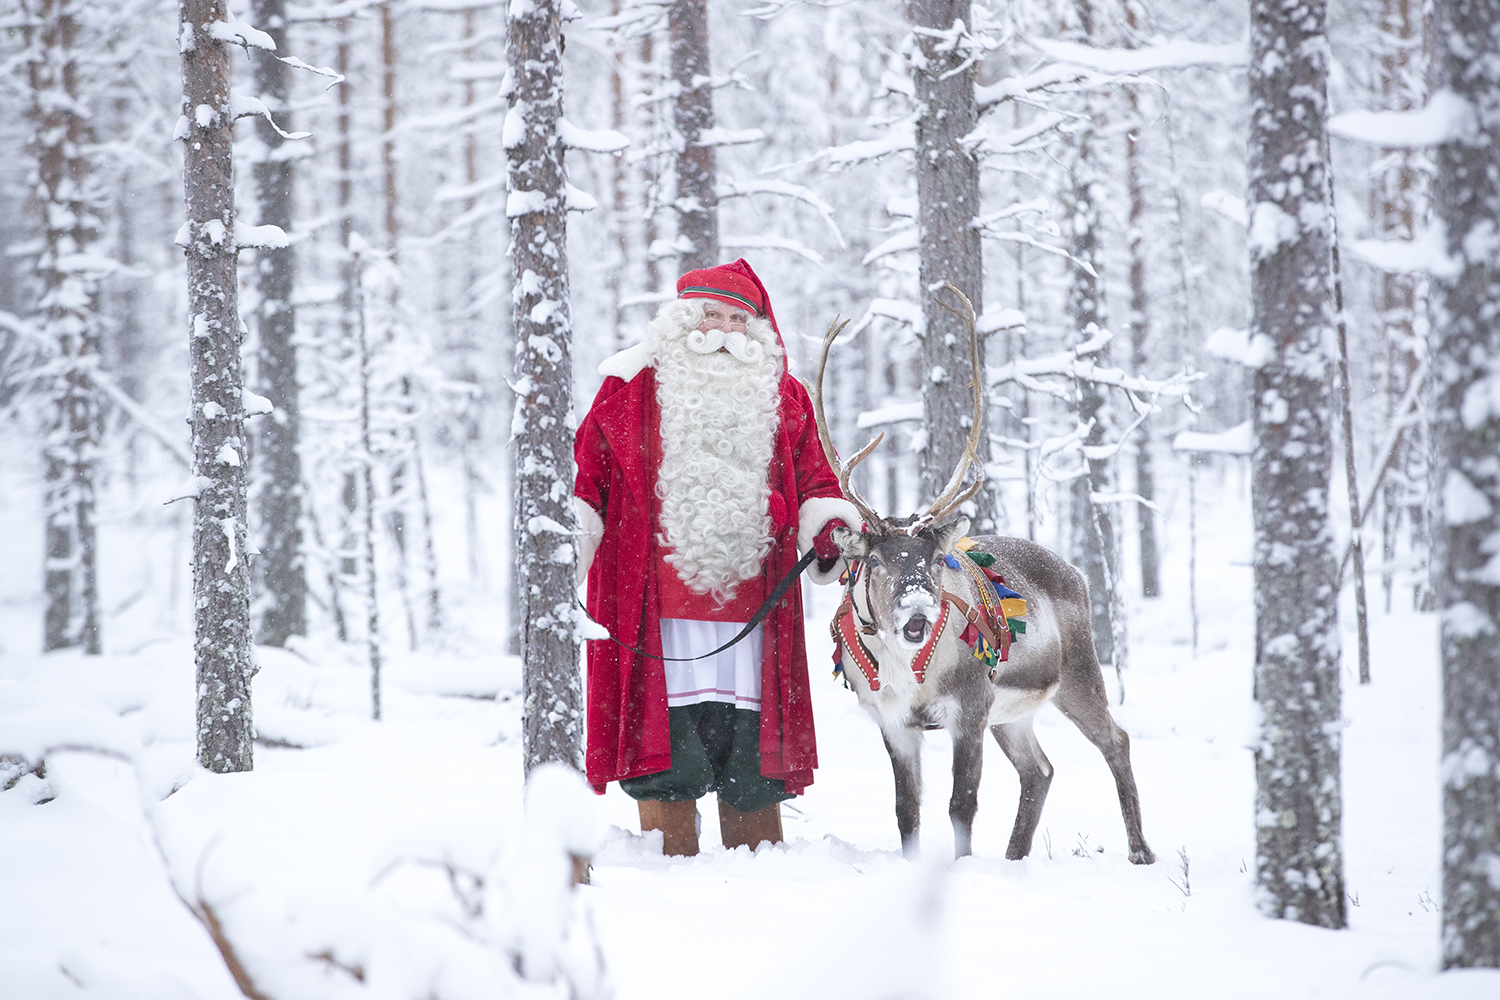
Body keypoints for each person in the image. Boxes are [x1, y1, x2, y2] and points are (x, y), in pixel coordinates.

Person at [574, 259, 858, 856]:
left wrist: (827, 526)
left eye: (738, 318)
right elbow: (587, 480)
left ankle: (756, 865)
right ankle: (667, 864)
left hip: (754, 614)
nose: (724, 329)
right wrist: (576, 537)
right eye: (712, 313)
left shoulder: (785, 396)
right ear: (682, 317)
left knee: (751, 751)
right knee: (667, 742)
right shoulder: (629, 389)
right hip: (655, 611)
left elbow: (816, 480)